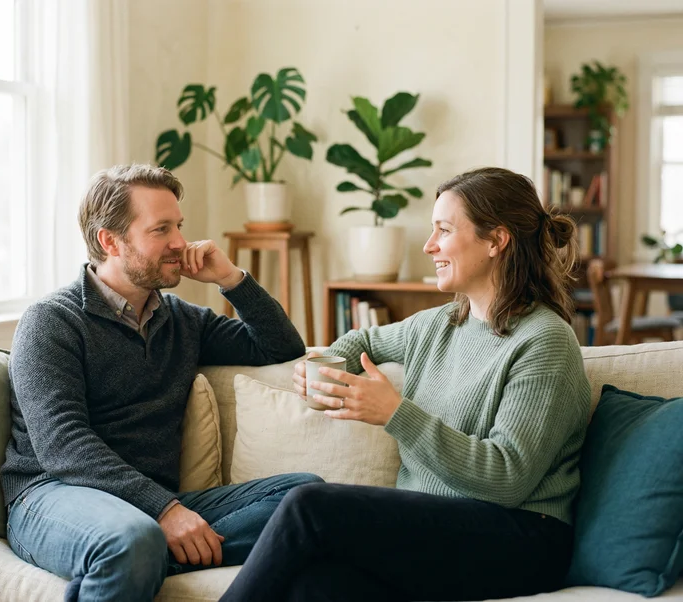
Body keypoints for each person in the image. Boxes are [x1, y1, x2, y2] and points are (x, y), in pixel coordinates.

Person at [220, 167, 592, 602]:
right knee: (316, 587)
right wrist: (325, 371)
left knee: (308, 506)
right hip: (441, 528)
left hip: (522, 537)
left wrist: (396, 413)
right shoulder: (437, 325)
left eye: (444, 230)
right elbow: (362, 340)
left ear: (496, 240)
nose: (428, 245)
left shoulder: (544, 340)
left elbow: (508, 477)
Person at [1, 164, 322, 602]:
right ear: (109, 241)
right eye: (161, 229)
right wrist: (166, 511)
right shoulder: (51, 322)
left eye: (180, 226)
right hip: (54, 495)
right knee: (133, 539)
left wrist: (231, 279)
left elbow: (281, 348)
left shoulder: (182, 320)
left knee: (306, 499)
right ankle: (134, 555)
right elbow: (63, 446)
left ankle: (130, 566)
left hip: (149, 505)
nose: (179, 243)